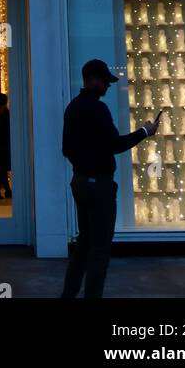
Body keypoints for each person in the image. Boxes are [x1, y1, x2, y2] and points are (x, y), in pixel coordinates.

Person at [61, 58, 160, 299]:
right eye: (105, 81)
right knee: (100, 249)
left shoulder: (72, 107)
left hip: (80, 181)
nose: (108, 86)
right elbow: (115, 144)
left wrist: (82, 163)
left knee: (84, 243)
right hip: (100, 185)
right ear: (93, 79)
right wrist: (145, 132)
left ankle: (68, 294)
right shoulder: (98, 109)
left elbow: (66, 149)